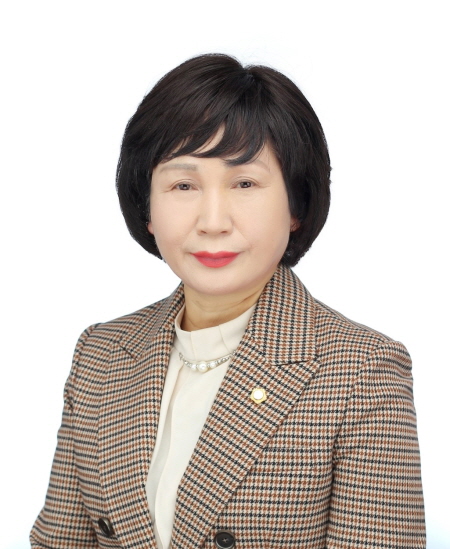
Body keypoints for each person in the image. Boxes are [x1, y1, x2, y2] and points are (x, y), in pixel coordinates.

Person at [30, 54, 426, 549]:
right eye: (183, 185)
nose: (213, 221)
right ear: (147, 207)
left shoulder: (362, 372)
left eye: (244, 183)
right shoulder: (101, 355)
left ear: (297, 205)